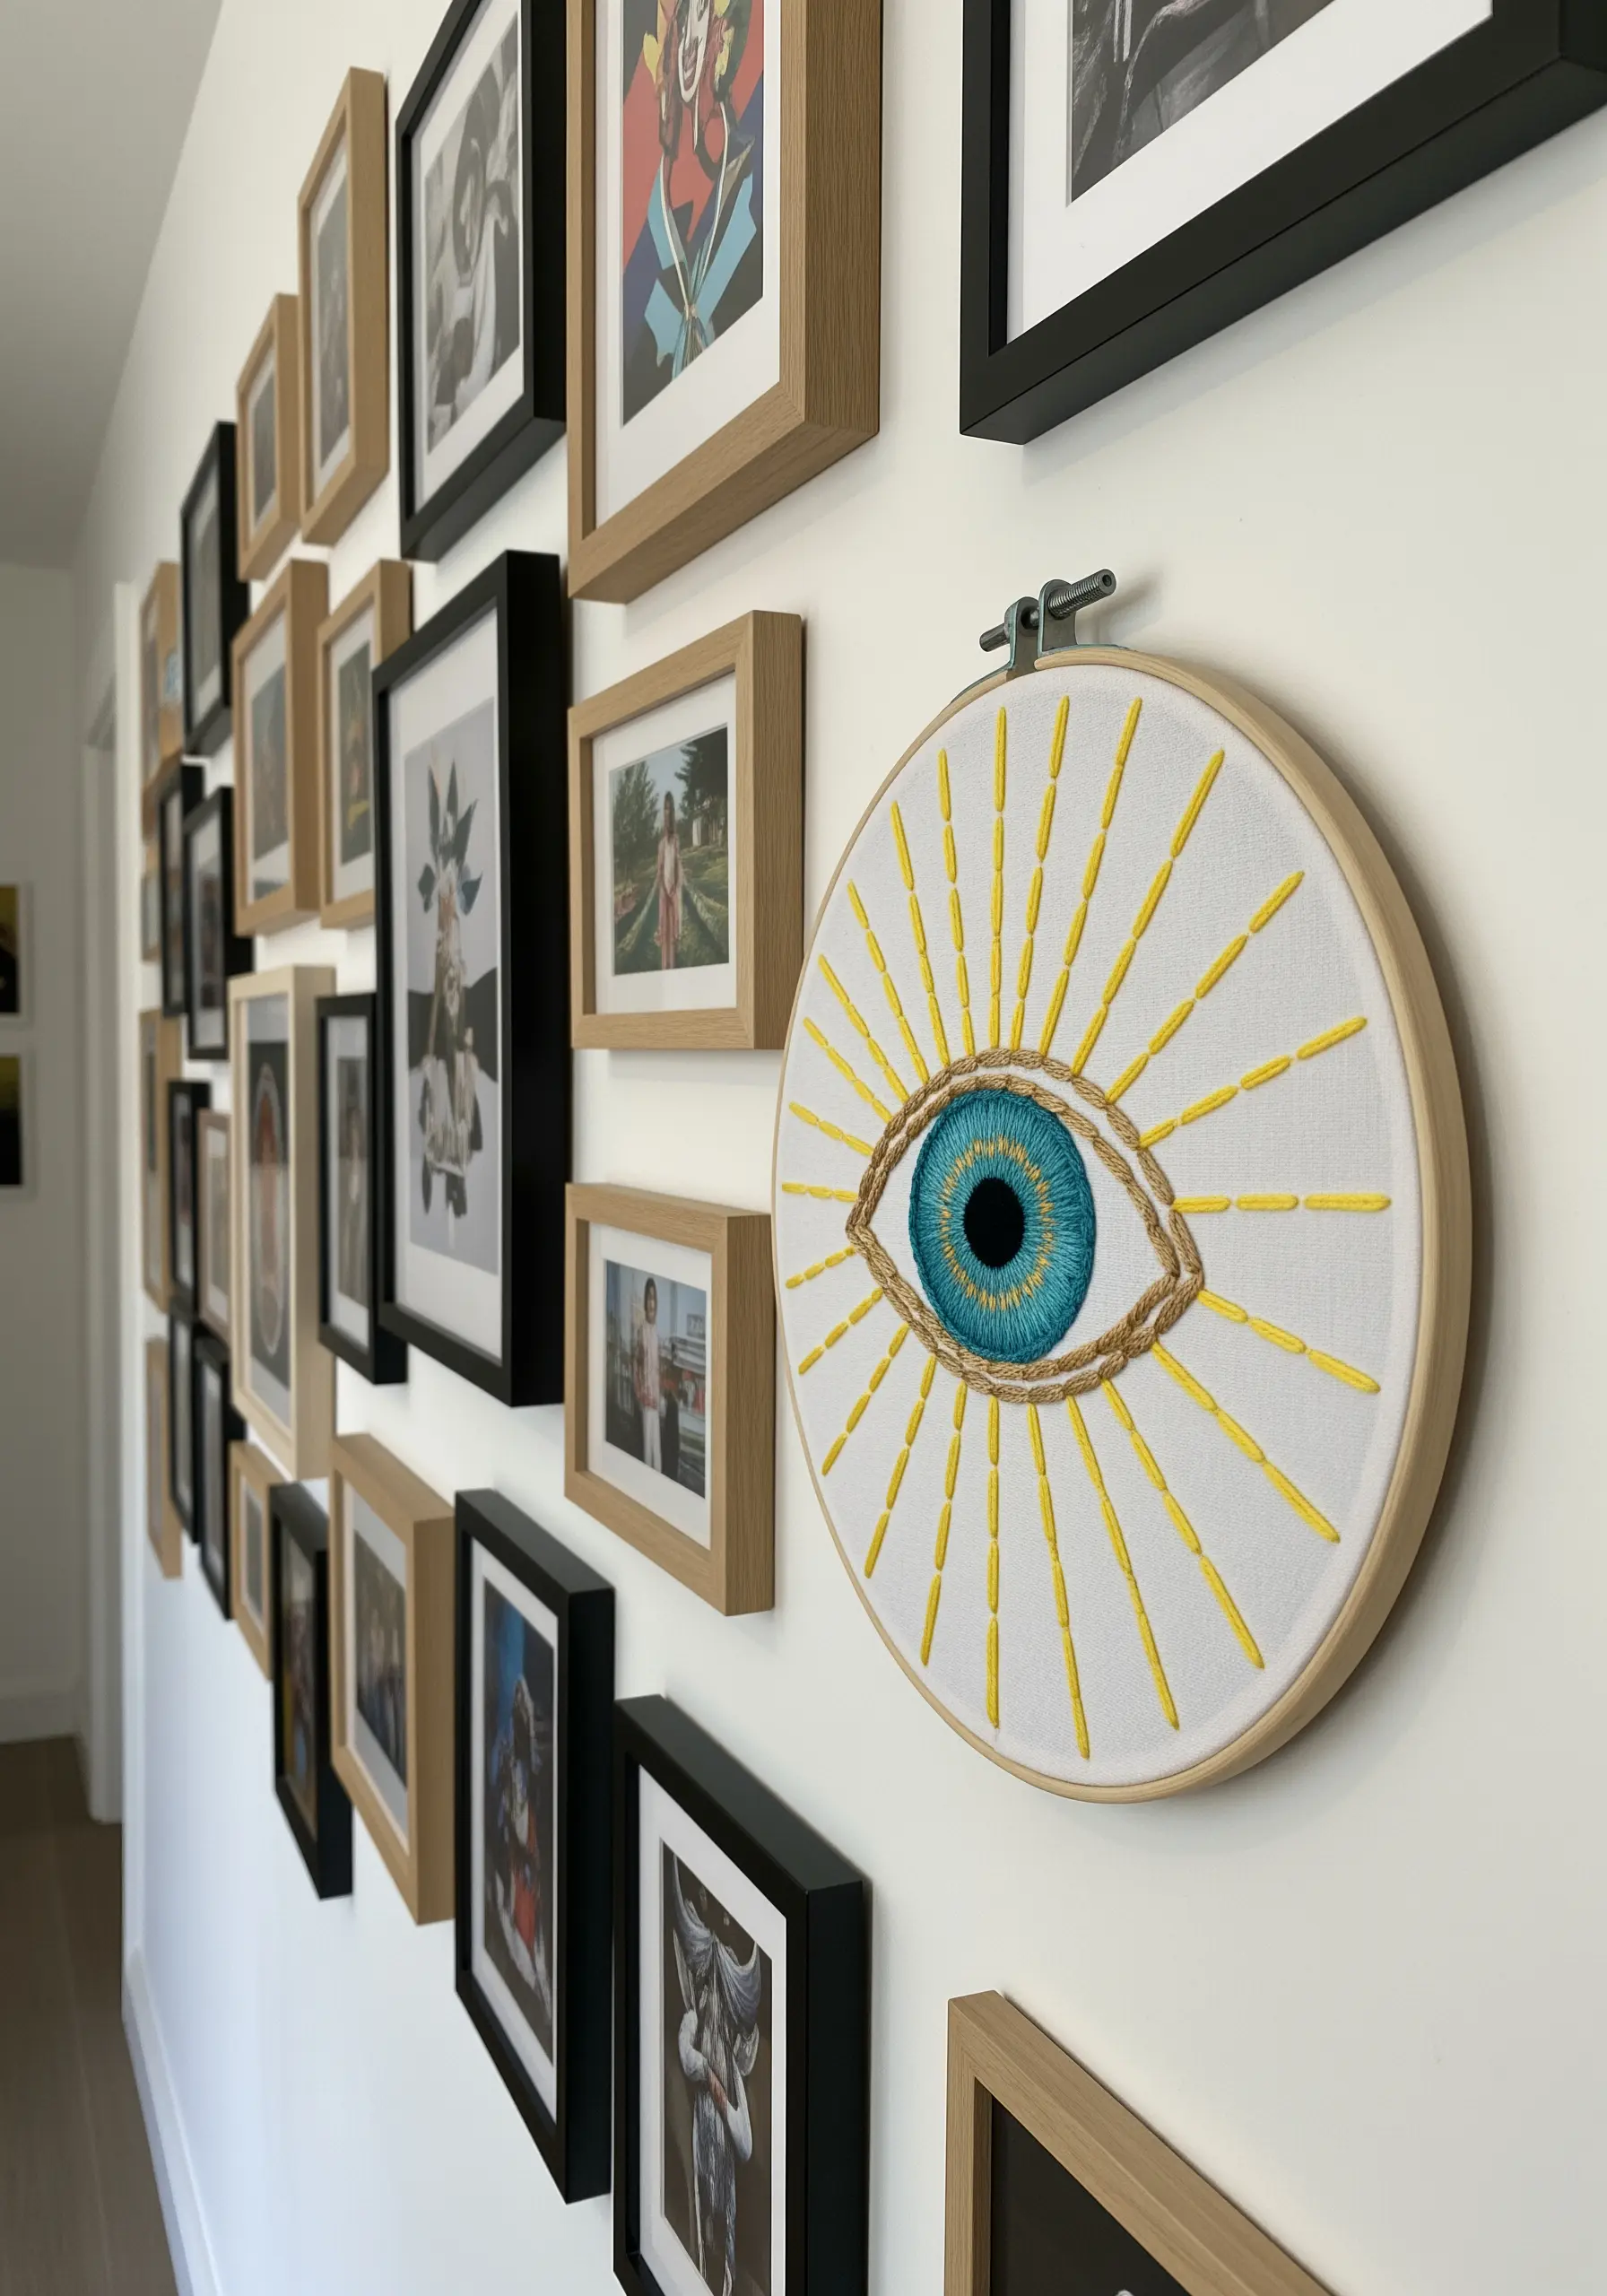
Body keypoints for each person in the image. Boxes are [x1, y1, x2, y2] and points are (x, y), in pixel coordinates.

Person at [636, 1278, 664, 1471]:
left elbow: (658, 1369)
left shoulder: (657, 1332)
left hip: (657, 1400)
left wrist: (660, 1399)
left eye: (653, 1298)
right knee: (648, 1453)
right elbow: (638, 1368)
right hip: (647, 1402)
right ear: (645, 1303)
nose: (651, 1303)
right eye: (648, 1298)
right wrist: (643, 1396)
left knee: (657, 1452)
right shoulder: (642, 1331)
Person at [656, 792, 683, 970]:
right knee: (664, 929)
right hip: (664, 892)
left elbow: (677, 864)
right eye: (665, 808)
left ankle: (672, 966)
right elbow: (660, 869)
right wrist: (663, 888)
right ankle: (664, 966)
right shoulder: (661, 844)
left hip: (673, 890)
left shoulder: (676, 842)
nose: (668, 812)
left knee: (673, 930)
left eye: (670, 808)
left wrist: (675, 887)